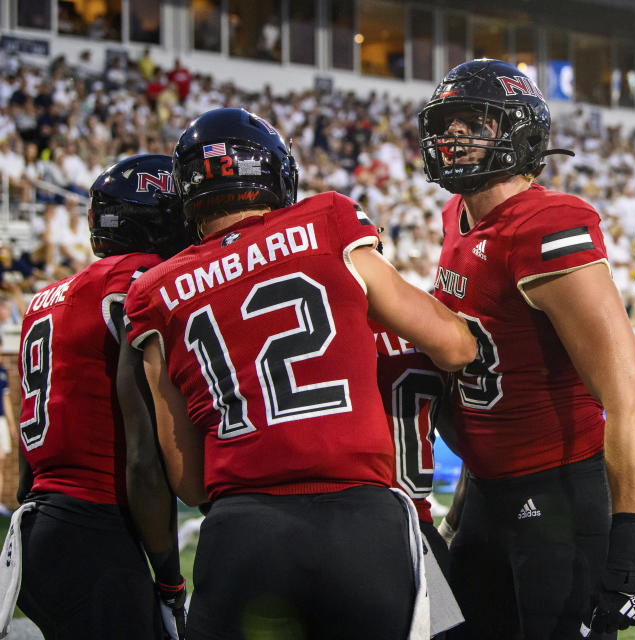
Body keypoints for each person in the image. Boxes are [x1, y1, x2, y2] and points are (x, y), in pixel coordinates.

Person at [123, 107, 477, 639]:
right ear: (273, 174)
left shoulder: (154, 293)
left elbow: (189, 480)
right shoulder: (327, 220)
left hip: (242, 534)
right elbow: (455, 347)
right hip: (361, 523)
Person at [418, 59, 635, 639]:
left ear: (519, 133)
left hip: (557, 496)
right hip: (486, 494)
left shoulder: (549, 224)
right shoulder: (459, 217)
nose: (454, 135)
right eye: (447, 122)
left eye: (474, 122)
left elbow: (627, 400)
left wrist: (630, 554)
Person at [14, 154, 190, 639]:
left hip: (39, 523)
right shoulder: (135, 282)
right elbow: (142, 459)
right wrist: (170, 578)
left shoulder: (47, 297)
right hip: (94, 529)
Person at [371, 319, 464, 637]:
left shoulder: (342, 321)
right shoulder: (429, 326)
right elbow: (470, 443)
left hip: (350, 524)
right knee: (444, 630)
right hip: (419, 537)